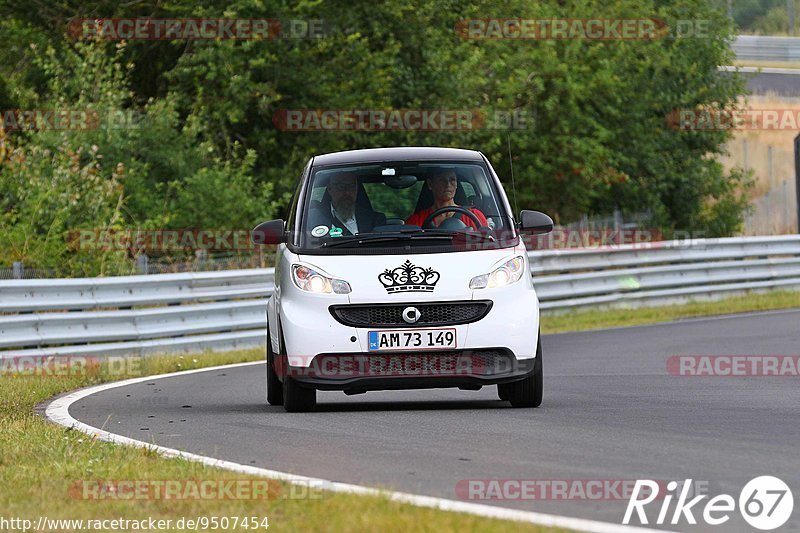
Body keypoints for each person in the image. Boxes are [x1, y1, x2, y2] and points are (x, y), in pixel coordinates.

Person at [307, 171, 386, 236]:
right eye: (341, 187)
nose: (347, 192)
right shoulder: (313, 219)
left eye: (351, 186)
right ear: (330, 189)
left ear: (356, 189)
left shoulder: (375, 220)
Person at [406, 169, 488, 230]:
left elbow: (486, 245)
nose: (448, 184)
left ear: (456, 185)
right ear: (430, 184)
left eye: (452, 180)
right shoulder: (416, 221)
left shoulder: (475, 216)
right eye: (442, 180)